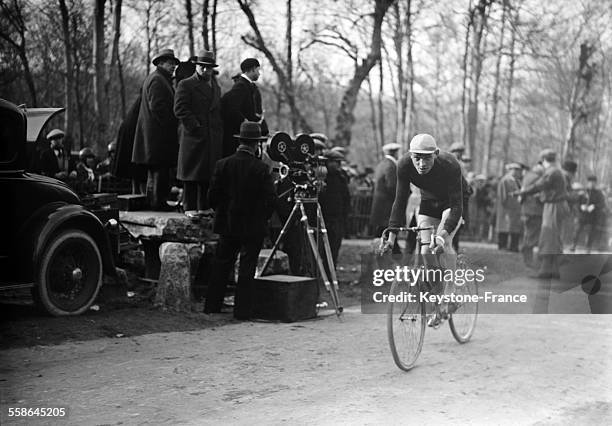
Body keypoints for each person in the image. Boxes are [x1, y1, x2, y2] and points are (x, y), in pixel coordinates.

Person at [382, 134, 467, 325]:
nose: (421, 163)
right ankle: (437, 298)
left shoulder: (450, 163)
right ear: (410, 155)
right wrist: (392, 236)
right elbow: (400, 200)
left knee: (444, 243)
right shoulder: (403, 165)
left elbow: (456, 206)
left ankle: (451, 293)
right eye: (417, 157)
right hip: (428, 201)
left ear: (436, 154)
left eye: (427, 157)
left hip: (453, 201)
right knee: (425, 249)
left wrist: (442, 235)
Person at [204, 122, 275, 320]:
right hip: (252, 227)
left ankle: (212, 306)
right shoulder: (261, 169)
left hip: (227, 224)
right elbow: (270, 200)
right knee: (247, 266)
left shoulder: (222, 164)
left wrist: (222, 212)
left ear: (241, 141)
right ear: (256, 145)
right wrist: (262, 218)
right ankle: (242, 311)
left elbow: (212, 197)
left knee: (221, 263)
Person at [174, 51, 223, 219]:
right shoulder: (186, 85)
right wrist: (195, 126)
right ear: (196, 66)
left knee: (206, 174)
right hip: (193, 137)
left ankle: (203, 206)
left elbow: (217, 112)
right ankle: (190, 207)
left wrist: (217, 132)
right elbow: (180, 108)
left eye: (208, 68)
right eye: (202, 67)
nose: (205, 70)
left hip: (211, 137)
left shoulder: (216, 87)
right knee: (191, 174)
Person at [132, 48, 179, 211]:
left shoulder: (159, 79)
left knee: (158, 171)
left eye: (174, 63)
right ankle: (157, 203)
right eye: (170, 63)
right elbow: (157, 107)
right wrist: (173, 124)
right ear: (160, 63)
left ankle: (157, 202)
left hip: (156, 136)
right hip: (157, 136)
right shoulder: (158, 80)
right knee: (159, 170)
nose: (173, 66)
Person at [515, 149, 569, 280]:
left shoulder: (551, 172)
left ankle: (545, 270)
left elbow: (539, 185)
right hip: (556, 205)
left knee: (548, 236)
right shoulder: (558, 171)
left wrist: (522, 192)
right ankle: (554, 270)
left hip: (553, 206)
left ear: (544, 160)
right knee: (554, 237)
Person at [220, 58, 268, 158]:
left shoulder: (249, 86)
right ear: (252, 69)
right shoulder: (241, 86)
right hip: (240, 137)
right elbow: (232, 109)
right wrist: (245, 122)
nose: (259, 74)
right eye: (258, 70)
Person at [319, 150, 351, 267]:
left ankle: (331, 269)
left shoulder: (341, 177)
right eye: (336, 162)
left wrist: (344, 216)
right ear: (328, 162)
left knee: (335, 247)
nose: (338, 165)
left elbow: (346, 198)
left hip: (337, 219)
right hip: (324, 218)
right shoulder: (322, 178)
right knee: (322, 248)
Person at [370, 142, 400, 252]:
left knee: (383, 233)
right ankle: (395, 257)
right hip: (387, 207)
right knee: (388, 232)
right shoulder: (391, 166)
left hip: (380, 207)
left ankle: (394, 255)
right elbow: (391, 186)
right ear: (395, 153)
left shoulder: (381, 164)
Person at [571, 175, 607, 253]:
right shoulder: (582, 192)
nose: (591, 184)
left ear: (595, 183)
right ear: (587, 182)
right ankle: (573, 245)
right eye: (590, 182)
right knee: (577, 230)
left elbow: (602, 204)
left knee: (590, 232)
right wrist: (581, 207)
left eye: (593, 182)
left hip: (593, 216)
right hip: (582, 215)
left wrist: (594, 206)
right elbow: (576, 202)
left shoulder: (598, 193)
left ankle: (588, 247)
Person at [519, 162, 544, 267]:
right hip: (535, 211)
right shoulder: (539, 179)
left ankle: (526, 257)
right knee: (532, 236)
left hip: (526, 210)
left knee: (528, 234)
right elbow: (541, 196)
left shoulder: (526, 177)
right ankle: (527, 259)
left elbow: (521, 195)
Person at [495, 163, 522, 252]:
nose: (518, 172)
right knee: (504, 227)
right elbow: (502, 195)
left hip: (515, 208)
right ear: (510, 170)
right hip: (506, 208)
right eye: (516, 170)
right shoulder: (505, 180)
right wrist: (505, 205)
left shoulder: (517, 181)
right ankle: (502, 245)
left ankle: (513, 246)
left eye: (519, 170)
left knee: (513, 228)